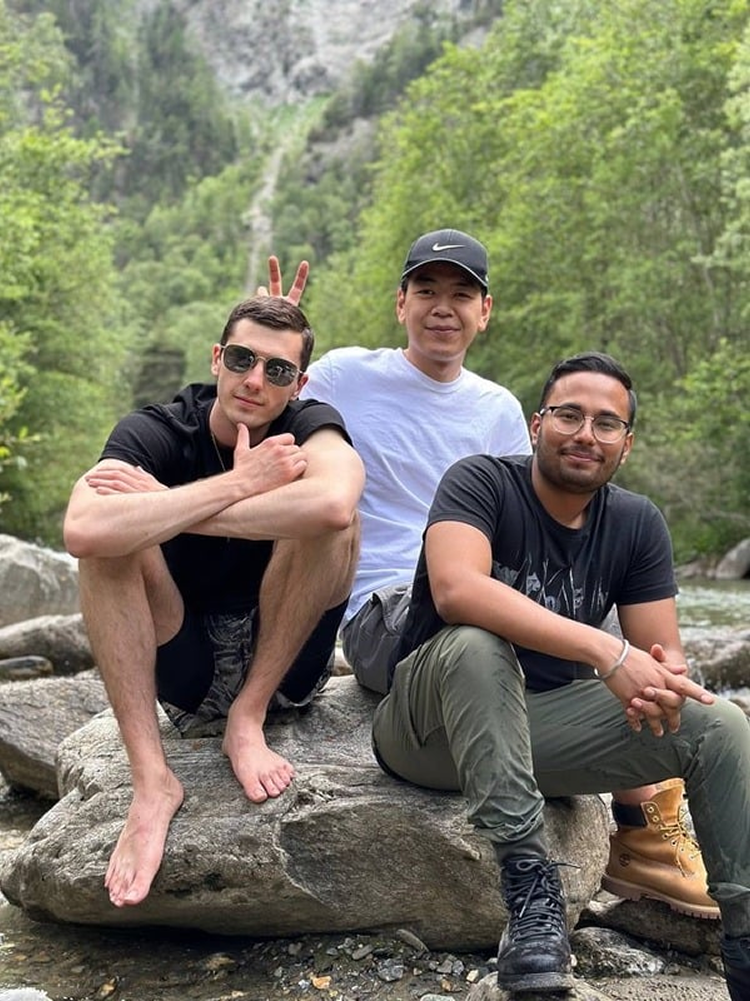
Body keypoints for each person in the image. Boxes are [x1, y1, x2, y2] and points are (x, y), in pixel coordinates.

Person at [288, 229, 718, 921]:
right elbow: (268, 404)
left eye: (461, 294)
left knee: (598, 606)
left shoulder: (494, 409)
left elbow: (537, 524)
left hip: (486, 584)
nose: (442, 307)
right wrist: (273, 335)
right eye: (426, 290)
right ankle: (563, 859)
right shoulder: (343, 374)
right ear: (401, 302)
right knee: (517, 629)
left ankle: (647, 828)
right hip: (388, 609)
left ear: (484, 312)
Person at [369, 351, 750, 997]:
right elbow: (458, 588)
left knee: (719, 722)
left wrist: (659, 681)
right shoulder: (480, 482)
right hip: (430, 729)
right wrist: (608, 653)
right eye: (569, 414)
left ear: (625, 446)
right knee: (476, 642)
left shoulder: (635, 522)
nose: (585, 433)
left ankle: (742, 938)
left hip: (538, 730)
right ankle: (531, 901)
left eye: (607, 423)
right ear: (534, 424)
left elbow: (661, 659)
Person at [63, 295, 365, 909]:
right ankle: (152, 783)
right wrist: (240, 483)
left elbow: (334, 502)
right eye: (241, 358)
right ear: (217, 358)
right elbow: (83, 529)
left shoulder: (310, 424)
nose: (255, 379)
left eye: (277, 370)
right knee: (109, 546)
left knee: (339, 526)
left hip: (283, 669)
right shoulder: (157, 429)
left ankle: (246, 720)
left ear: (298, 383)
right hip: (188, 668)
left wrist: (176, 512)